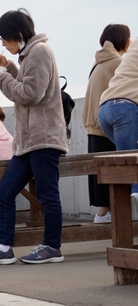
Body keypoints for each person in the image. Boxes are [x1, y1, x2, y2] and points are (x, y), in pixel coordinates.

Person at [0, 9, 68, 266]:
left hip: (44, 138)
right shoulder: (32, 53)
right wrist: (10, 67)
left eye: (4, 39)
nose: (3, 44)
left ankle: (52, 247)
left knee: (47, 194)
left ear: (17, 34)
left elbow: (31, 93)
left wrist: (1, 78)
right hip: (29, 142)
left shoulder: (39, 51)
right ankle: (4, 248)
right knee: (5, 192)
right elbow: (28, 82)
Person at [85, 24, 131, 223]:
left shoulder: (99, 63)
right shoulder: (118, 63)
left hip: (93, 123)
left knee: (103, 172)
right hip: (109, 124)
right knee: (116, 170)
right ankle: (106, 214)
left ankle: (103, 214)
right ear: (123, 40)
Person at [98, 25, 138, 206]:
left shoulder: (134, 46)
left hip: (105, 109)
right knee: (130, 163)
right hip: (125, 108)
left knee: (128, 159)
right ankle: (135, 193)